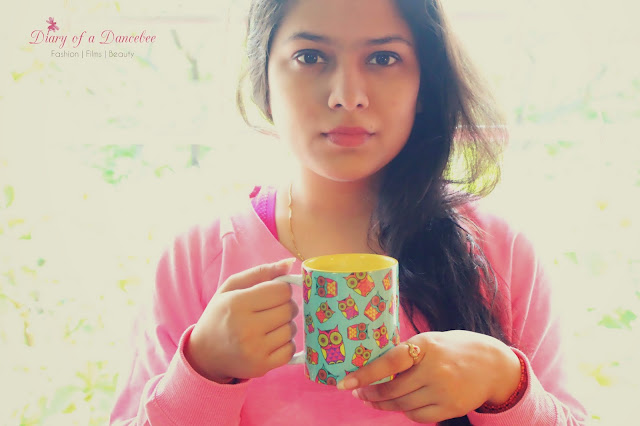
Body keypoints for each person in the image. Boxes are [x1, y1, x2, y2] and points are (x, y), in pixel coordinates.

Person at [110, 0, 588, 424]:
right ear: (264, 78)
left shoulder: (499, 251)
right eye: (310, 56)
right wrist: (202, 370)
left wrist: (504, 383)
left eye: (383, 58)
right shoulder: (196, 258)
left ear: (425, 84)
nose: (347, 95)